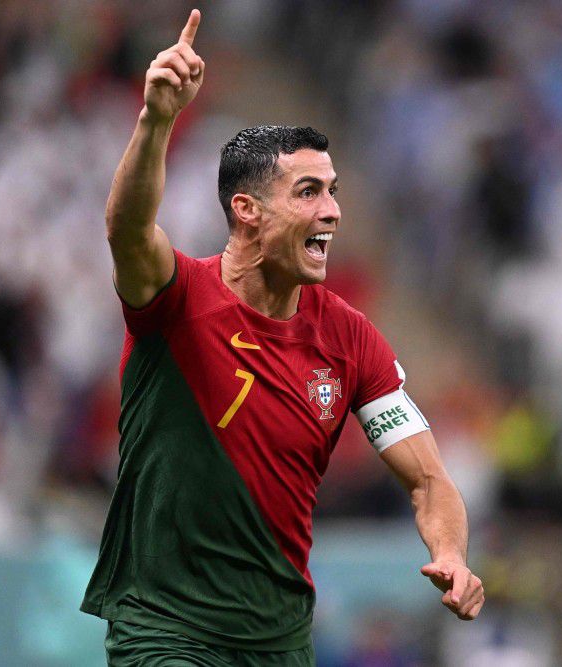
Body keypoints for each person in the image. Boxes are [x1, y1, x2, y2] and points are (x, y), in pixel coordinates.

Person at [80, 10, 484, 666]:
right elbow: (127, 229)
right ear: (247, 210)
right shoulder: (177, 298)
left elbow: (429, 478)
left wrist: (451, 554)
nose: (332, 210)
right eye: (308, 192)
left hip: (277, 640)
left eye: (332, 191)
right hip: (164, 627)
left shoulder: (350, 340)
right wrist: (157, 119)